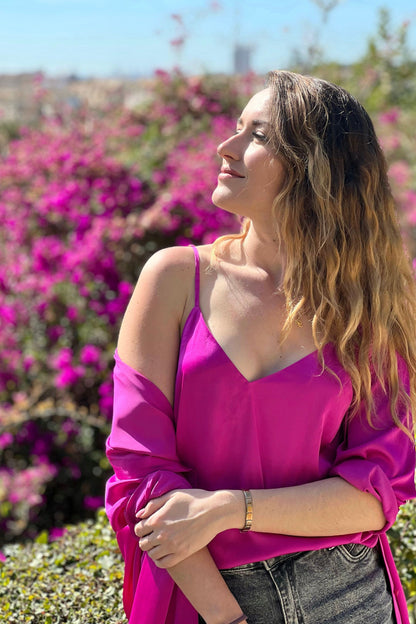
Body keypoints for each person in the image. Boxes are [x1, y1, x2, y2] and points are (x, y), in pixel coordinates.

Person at [105, 70, 416, 624]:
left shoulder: (370, 306)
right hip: (204, 596)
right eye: (236, 127)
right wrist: (226, 617)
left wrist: (229, 508)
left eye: (258, 135)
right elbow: (139, 475)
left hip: (346, 593)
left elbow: (374, 494)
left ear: (316, 168)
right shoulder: (175, 279)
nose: (225, 147)